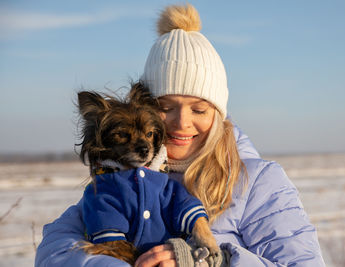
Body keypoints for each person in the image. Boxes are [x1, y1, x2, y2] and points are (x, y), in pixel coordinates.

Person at [35, 4, 325, 267]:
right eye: (165, 107)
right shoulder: (121, 178)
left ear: (218, 114)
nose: (181, 123)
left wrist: (214, 261)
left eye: (199, 110)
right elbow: (55, 251)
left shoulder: (259, 182)